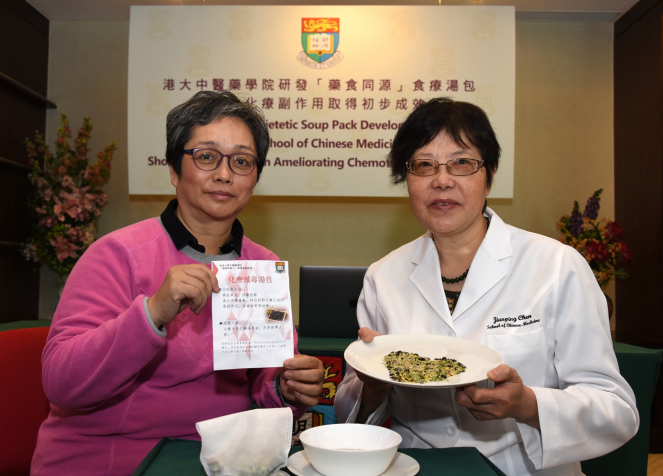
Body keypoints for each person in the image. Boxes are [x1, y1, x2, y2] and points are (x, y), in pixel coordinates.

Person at [334, 97, 638, 475]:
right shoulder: (383, 276)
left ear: (490, 174)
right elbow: (350, 415)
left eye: (462, 163)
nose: (441, 180)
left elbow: (616, 411)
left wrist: (527, 404)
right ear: (406, 179)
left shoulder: (557, 265)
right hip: (417, 467)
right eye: (423, 165)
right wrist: (374, 385)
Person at [31, 91, 324, 475]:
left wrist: (287, 388)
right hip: (113, 456)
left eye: (241, 161)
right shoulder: (117, 254)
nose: (224, 174)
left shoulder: (262, 265)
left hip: (221, 458)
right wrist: (152, 313)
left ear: (254, 177)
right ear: (173, 168)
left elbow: (264, 383)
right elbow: (61, 383)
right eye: (206, 157)